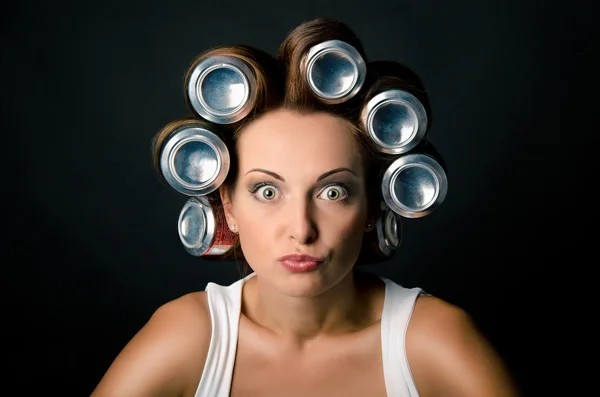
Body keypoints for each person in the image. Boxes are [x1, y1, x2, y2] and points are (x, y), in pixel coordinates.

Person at [91, 17, 520, 397]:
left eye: (333, 192)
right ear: (229, 205)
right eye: (267, 191)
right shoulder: (189, 339)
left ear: (372, 205)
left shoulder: (433, 342)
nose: (301, 229)